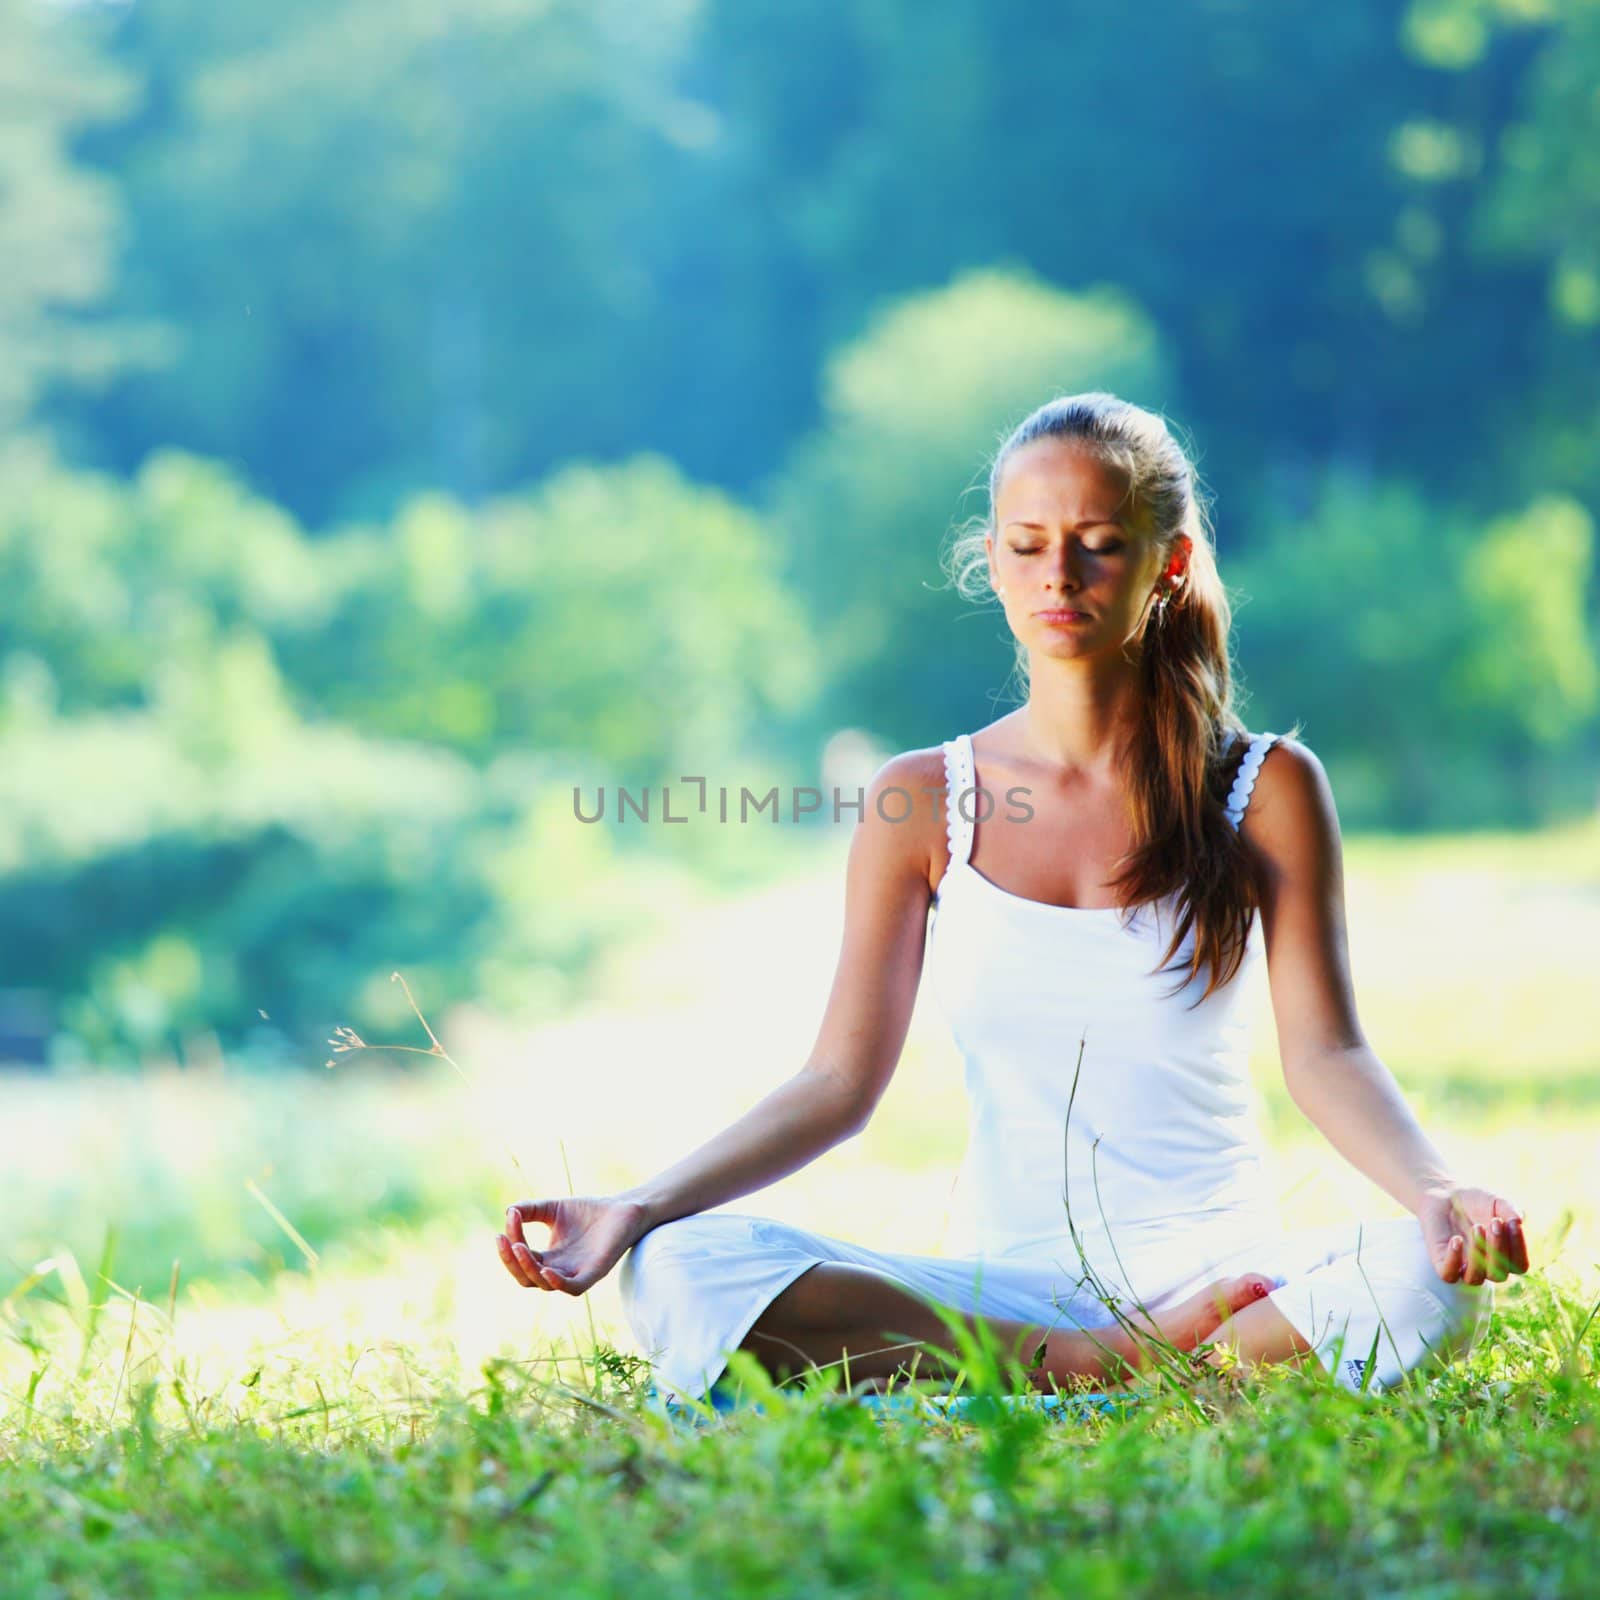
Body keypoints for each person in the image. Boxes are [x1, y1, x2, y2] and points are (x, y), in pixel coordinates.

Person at [495, 392, 1531, 1403]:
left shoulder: (1264, 786)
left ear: (1165, 562)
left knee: (1425, 1280)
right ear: (989, 559)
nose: (1060, 574)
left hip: (1230, 1281)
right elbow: (835, 1082)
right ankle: (1088, 1364)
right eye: (1027, 543)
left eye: (1098, 542)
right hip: (1005, 1293)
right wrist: (636, 1206)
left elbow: (1327, 1055)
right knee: (683, 1265)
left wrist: (1437, 1195)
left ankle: (1134, 1361)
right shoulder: (919, 799)